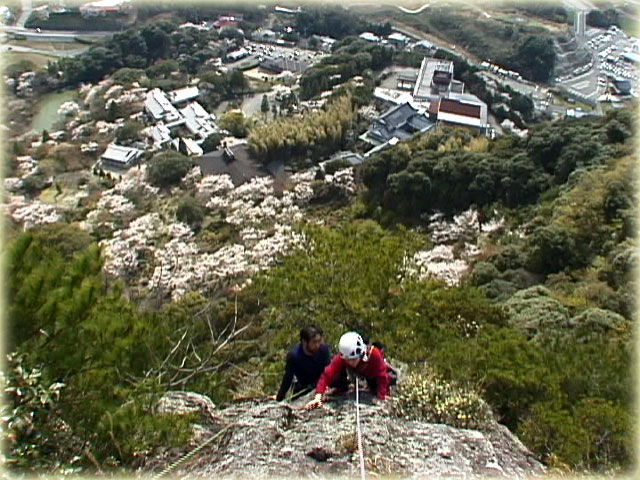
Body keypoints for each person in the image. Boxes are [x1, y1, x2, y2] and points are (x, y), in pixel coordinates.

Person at [304, 331, 389, 410]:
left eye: (353, 359)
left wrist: (381, 397)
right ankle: (342, 387)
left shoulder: (374, 354)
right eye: (348, 360)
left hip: (372, 374)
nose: (351, 362)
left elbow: (382, 376)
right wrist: (318, 397)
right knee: (335, 377)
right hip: (358, 373)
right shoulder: (344, 357)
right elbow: (327, 373)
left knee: (376, 387)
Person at [275, 325, 331, 401]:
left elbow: (328, 370)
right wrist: (279, 398)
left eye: (319, 341)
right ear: (304, 342)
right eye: (314, 342)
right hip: (303, 387)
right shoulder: (294, 356)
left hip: (322, 384)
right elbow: (288, 378)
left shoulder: (324, 350)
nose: (317, 345)